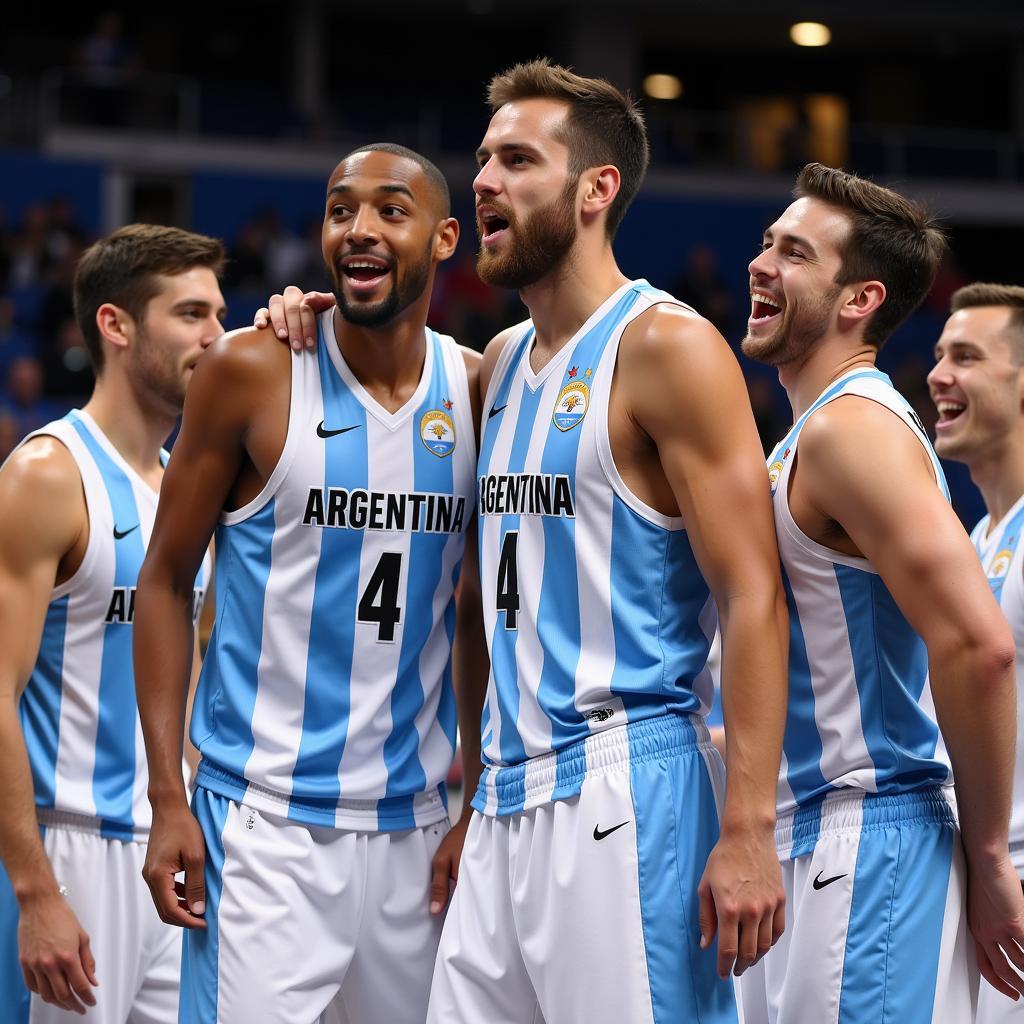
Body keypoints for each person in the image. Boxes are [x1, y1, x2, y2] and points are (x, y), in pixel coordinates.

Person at [263, 59, 788, 1024]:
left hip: (624, 783)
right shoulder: (497, 362)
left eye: (516, 160)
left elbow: (754, 594)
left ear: (597, 190)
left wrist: (748, 824)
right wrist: (308, 313)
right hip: (502, 796)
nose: (486, 181)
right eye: (483, 160)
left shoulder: (667, 348)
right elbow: (470, 594)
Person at [134, 143, 487, 1023]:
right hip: (262, 824)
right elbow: (166, 581)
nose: (359, 229)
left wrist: (473, 792)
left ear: (446, 239)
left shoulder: (479, 388)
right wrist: (168, 797)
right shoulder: (249, 371)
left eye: (390, 210)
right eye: (340, 210)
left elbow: (478, 609)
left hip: (414, 829)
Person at [738, 164, 1024, 1023]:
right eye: (765, 242)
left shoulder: (853, 429)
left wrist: (988, 856)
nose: (761, 264)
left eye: (793, 253)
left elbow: (981, 646)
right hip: (814, 838)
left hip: (870, 836)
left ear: (859, 299)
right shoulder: (805, 438)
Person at [0, 223, 223, 1021]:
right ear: (116, 325)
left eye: (219, 315)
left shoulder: (185, 487)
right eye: (192, 315)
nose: (216, 337)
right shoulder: (45, 474)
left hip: (165, 850)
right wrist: (34, 890)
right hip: (66, 847)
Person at [928, 282, 1024, 1023]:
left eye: (966, 357)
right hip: (989, 894)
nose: (937, 375)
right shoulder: (977, 540)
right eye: (937, 355)